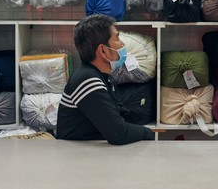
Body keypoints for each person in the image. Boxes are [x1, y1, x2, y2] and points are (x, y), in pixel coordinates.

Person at [56, 14, 154, 145]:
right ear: (103, 51)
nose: (123, 44)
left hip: (92, 152)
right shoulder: (87, 80)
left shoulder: (103, 77)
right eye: (118, 39)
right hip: (76, 156)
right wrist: (149, 133)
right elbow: (118, 133)